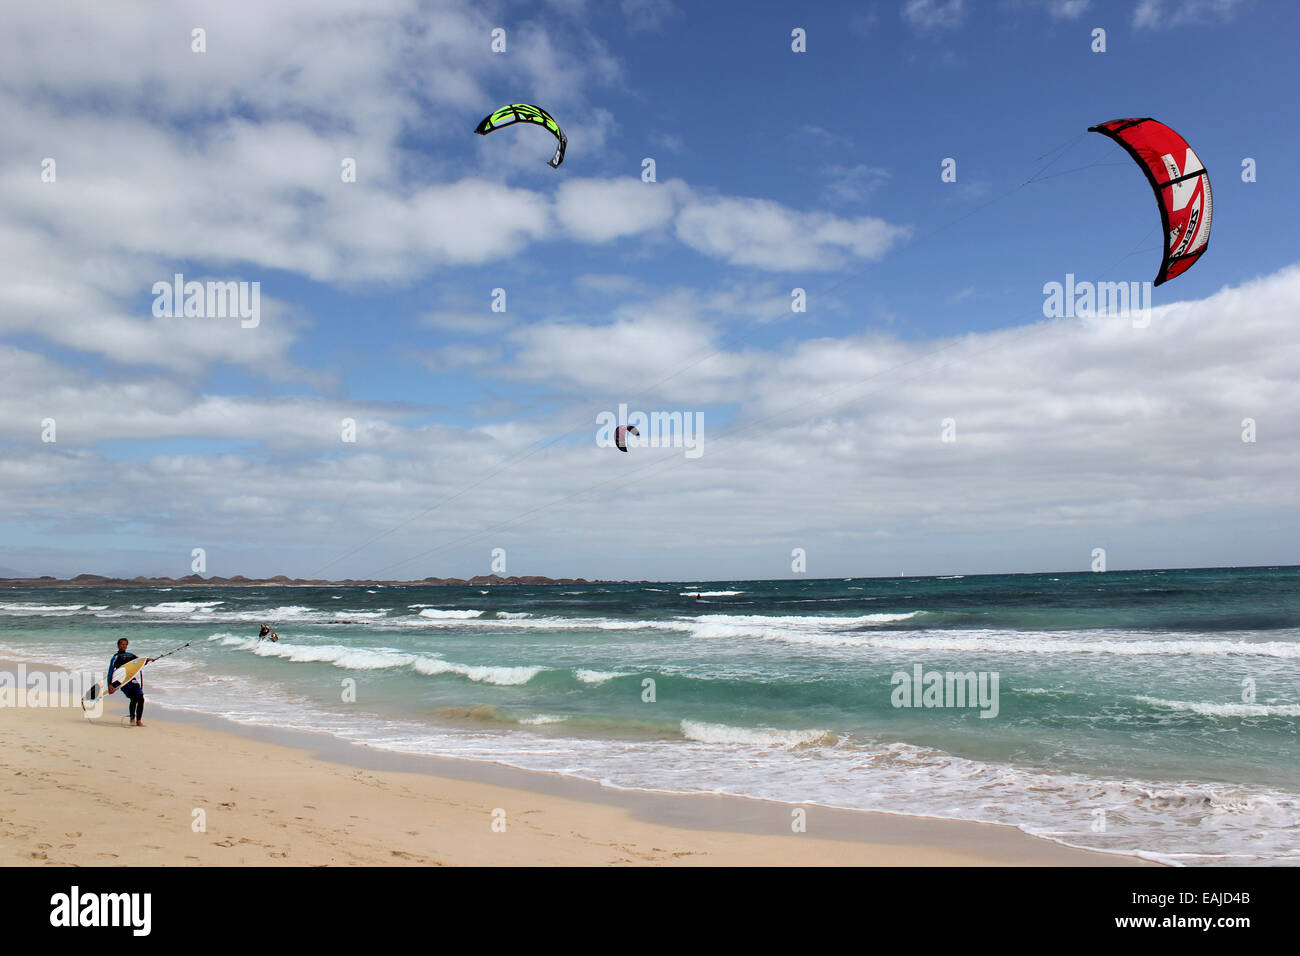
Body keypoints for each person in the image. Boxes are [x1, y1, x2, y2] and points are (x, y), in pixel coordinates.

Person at [105, 638, 154, 727]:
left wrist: (147, 660)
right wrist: (109, 684)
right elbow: (110, 671)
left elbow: (139, 662)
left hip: (132, 679)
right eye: (122, 644)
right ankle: (132, 718)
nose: (124, 646)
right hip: (123, 681)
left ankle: (139, 721)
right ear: (118, 645)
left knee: (141, 698)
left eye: (125, 644)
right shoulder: (116, 657)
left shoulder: (130, 655)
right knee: (134, 698)